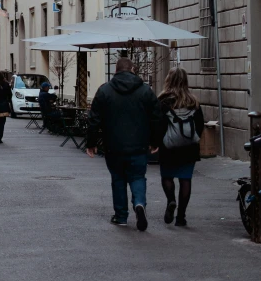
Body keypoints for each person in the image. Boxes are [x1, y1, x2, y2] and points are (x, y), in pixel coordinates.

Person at [85, 57, 162, 231]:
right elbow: (157, 117)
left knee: (118, 179)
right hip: (139, 145)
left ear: (115, 71)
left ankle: (121, 216)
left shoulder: (104, 91)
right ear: (133, 70)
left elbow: (94, 119)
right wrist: (155, 141)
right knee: (137, 177)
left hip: (114, 146)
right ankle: (139, 203)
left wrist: (91, 143)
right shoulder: (145, 91)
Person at [158, 67, 204, 227]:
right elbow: (200, 124)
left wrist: (157, 142)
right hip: (189, 147)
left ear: (168, 80)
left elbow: (158, 124)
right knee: (185, 179)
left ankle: (171, 200)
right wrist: (194, 138)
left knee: (167, 177)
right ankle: (181, 217)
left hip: (169, 147)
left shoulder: (163, 101)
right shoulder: (193, 102)